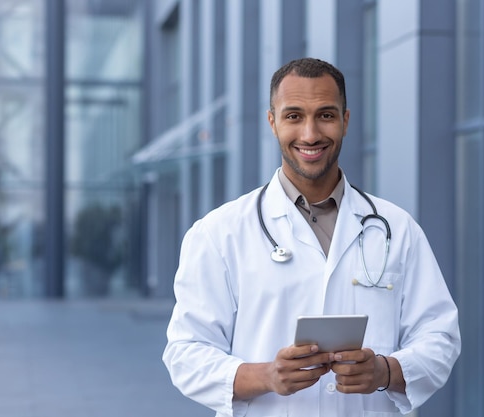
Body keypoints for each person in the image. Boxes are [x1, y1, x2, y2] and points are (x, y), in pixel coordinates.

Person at [162, 57, 461, 416]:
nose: (310, 134)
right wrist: (267, 376)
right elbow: (185, 352)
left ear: (345, 121)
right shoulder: (218, 233)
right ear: (272, 122)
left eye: (326, 115)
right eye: (293, 116)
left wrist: (385, 371)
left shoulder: (397, 228)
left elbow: (440, 337)